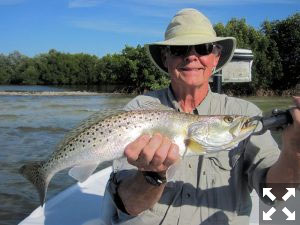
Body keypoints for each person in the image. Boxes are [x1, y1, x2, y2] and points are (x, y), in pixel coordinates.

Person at [103, 8, 300, 225]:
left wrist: (294, 150)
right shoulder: (138, 111)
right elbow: (129, 206)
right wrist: (153, 175)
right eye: (179, 49)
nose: (191, 56)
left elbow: (274, 196)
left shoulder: (246, 114)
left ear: (215, 58)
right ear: (165, 58)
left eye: (203, 48)